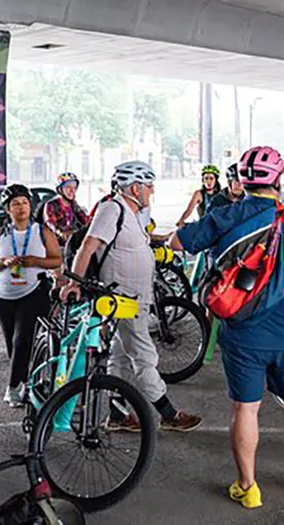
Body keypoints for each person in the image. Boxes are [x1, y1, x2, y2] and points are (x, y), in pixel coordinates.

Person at [171, 146, 284, 509]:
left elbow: (179, 241)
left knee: (246, 409)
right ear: (279, 177)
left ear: (243, 180)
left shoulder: (224, 215)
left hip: (242, 334)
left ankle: (249, 486)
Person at [63, 161, 201, 432]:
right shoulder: (112, 209)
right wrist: (74, 283)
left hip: (135, 298)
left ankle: (117, 415)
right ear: (134, 188)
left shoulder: (133, 212)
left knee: (120, 355)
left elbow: (134, 245)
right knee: (144, 355)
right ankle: (168, 412)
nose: (151, 192)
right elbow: (88, 247)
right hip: (121, 299)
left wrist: (157, 250)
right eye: (148, 187)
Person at [0, 184, 63, 407]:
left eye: (25, 203)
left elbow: (56, 260)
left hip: (33, 292)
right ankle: (26, 381)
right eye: (16, 204)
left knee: (22, 340)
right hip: (3, 295)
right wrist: (3, 263)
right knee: (12, 342)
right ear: (8, 209)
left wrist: (36, 262)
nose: (21, 208)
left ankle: (12, 387)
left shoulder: (41, 232)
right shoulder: (0, 234)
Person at [42, 172, 90, 245]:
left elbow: (85, 220)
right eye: (68, 187)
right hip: (55, 243)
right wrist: (60, 233)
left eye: (74, 187)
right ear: (60, 190)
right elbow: (50, 223)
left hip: (72, 242)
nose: (72, 190)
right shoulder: (51, 205)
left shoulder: (74, 205)